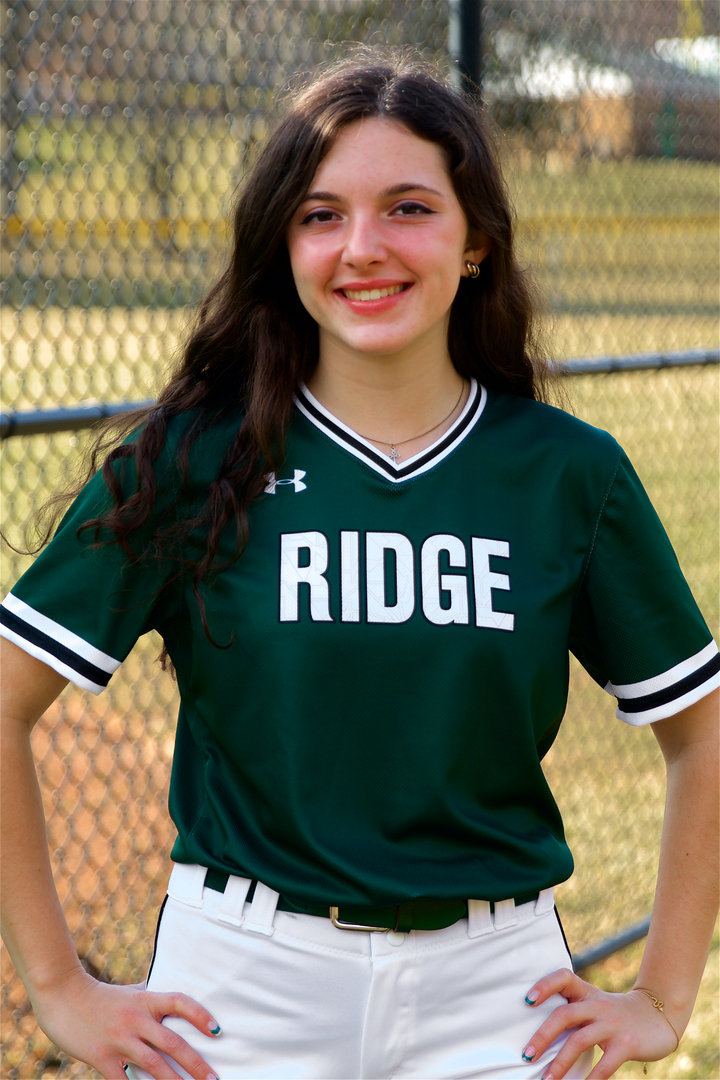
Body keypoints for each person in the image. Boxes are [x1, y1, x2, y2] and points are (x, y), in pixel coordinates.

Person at [1, 51, 718, 1080]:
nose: (363, 248)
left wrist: (662, 995)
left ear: (475, 240)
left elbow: (702, 731)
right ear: (283, 245)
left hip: (500, 994)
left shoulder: (566, 474)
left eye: (409, 209)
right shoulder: (197, 459)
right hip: (238, 988)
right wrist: (59, 986)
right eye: (321, 214)